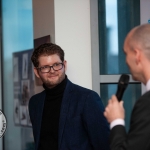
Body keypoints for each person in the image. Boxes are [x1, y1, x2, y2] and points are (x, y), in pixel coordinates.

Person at [29, 43, 110, 150]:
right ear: (37, 72)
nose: (52, 70)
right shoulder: (35, 102)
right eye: (45, 67)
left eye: (57, 64)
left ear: (65, 65)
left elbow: (104, 145)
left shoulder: (87, 98)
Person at [104, 23, 150, 150]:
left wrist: (116, 120)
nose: (125, 61)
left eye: (126, 53)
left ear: (137, 55)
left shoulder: (147, 103)